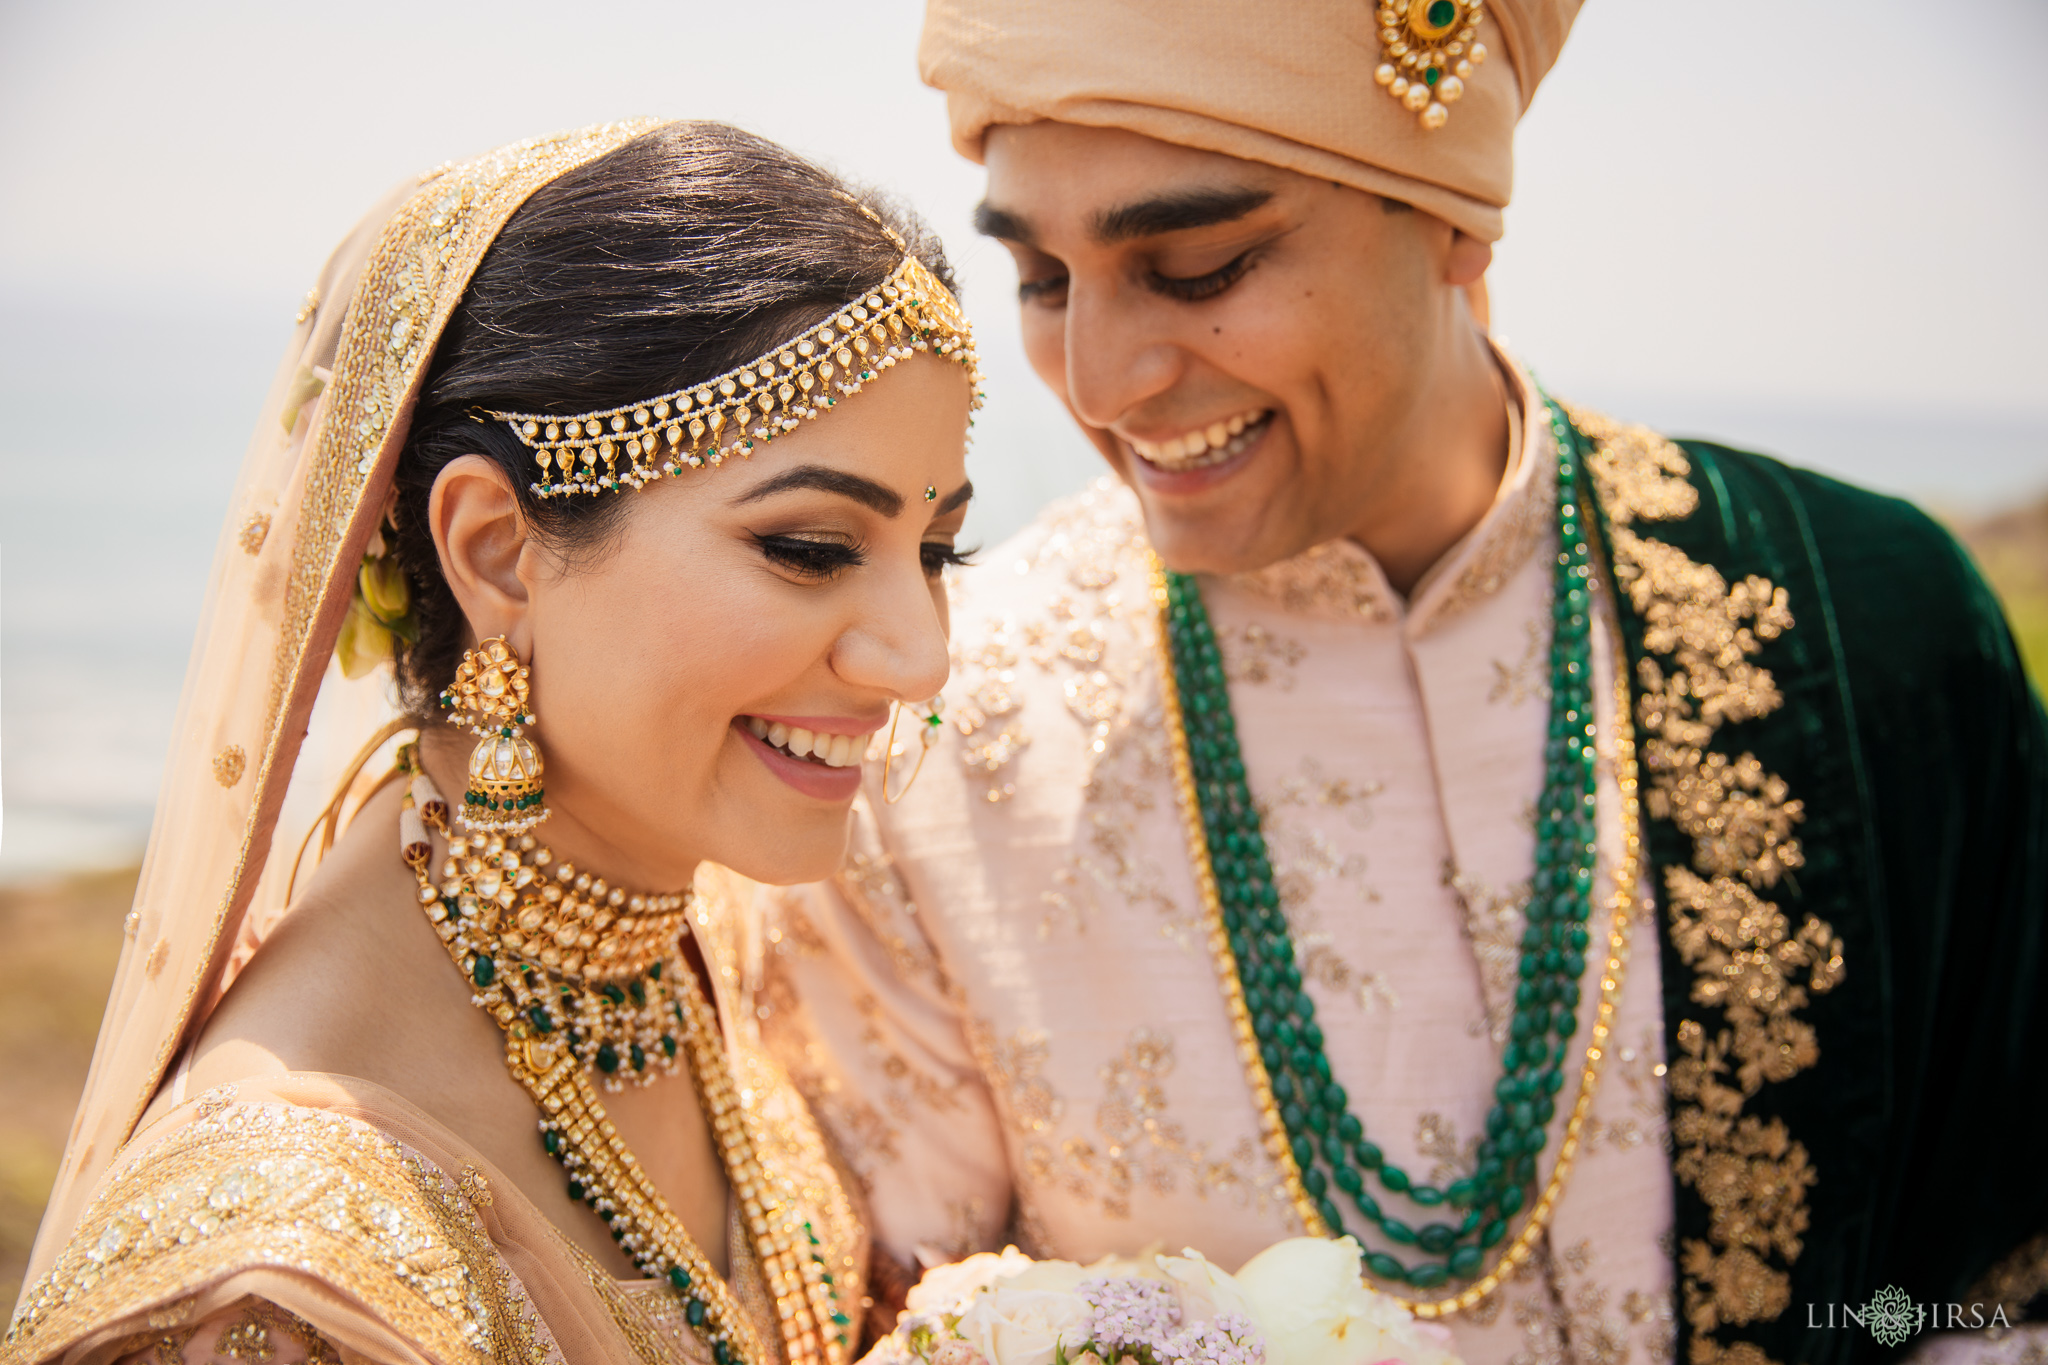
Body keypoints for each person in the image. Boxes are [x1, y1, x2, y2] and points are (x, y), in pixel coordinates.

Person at [758, 4, 2048, 1363]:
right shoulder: (932, 736)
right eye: (1041, 279)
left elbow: (1988, 1293)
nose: (1102, 379)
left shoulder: (1865, 626)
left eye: (1196, 266)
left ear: (1453, 214)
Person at [6, 120, 983, 1365]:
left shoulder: (700, 938)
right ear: (494, 553)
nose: (919, 656)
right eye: (807, 549)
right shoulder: (274, 1286)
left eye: (939, 551)